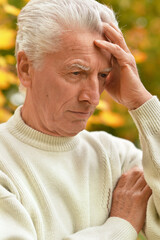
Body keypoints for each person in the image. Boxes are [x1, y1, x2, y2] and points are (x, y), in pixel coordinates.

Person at [0, 0, 159, 239]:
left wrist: (142, 103)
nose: (93, 97)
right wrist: (120, 227)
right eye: (77, 72)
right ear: (25, 68)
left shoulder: (117, 157)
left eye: (103, 75)